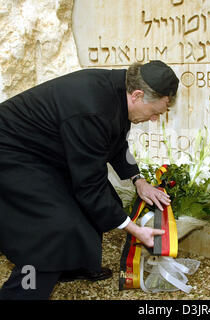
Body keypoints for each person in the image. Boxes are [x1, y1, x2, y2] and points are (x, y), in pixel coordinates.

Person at [0, 60, 179, 300]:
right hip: (11, 151)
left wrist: (139, 180)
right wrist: (134, 229)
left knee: (104, 202)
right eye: (155, 113)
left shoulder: (118, 90)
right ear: (137, 95)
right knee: (53, 229)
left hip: (42, 151)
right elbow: (89, 187)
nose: (154, 119)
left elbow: (117, 142)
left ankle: (72, 265)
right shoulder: (92, 108)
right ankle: (21, 293)